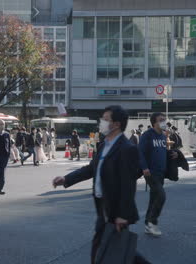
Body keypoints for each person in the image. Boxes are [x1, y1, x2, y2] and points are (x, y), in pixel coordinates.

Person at [52, 105, 150, 264]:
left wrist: (122, 215)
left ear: (116, 124)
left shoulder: (127, 149)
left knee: (108, 250)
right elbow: (91, 168)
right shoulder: (104, 145)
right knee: (116, 249)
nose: (101, 123)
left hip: (116, 209)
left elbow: (128, 185)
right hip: (103, 207)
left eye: (105, 120)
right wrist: (66, 179)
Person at [139, 112, 177, 237]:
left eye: (164, 119)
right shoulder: (147, 135)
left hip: (161, 172)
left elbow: (161, 151)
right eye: (161, 120)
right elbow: (140, 152)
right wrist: (144, 167)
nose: (164, 122)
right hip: (150, 172)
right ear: (154, 123)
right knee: (161, 196)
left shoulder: (162, 136)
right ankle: (152, 222)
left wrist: (173, 154)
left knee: (154, 198)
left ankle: (147, 225)